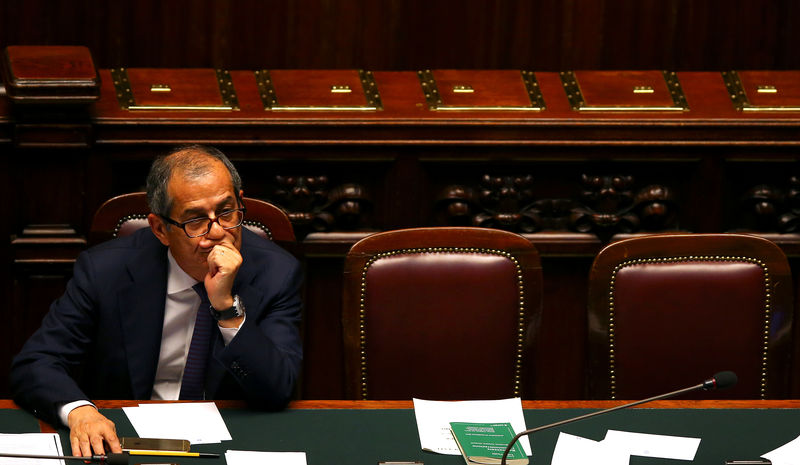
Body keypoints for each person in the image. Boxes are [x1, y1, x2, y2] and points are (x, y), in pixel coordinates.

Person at [10, 145, 303, 456]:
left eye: (226, 212)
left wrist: (226, 307)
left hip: (228, 443)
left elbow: (277, 389)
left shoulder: (276, 273)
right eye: (195, 221)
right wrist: (80, 412)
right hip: (123, 440)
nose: (217, 232)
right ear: (160, 229)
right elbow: (36, 363)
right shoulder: (106, 271)